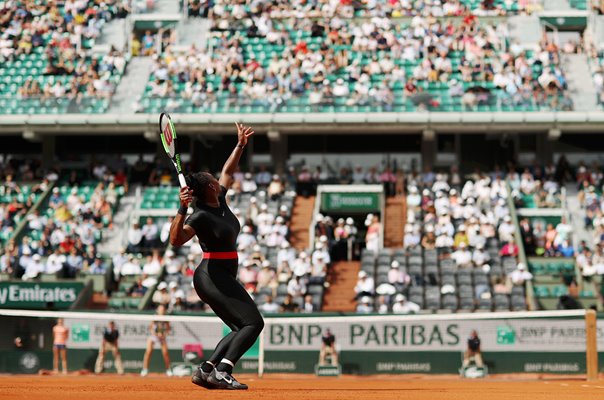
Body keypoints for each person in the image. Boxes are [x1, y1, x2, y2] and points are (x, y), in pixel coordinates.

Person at [169, 123, 262, 390]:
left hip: (221, 274)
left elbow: (228, 170)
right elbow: (176, 240)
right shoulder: (199, 215)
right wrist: (181, 208)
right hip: (211, 275)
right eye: (212, 178)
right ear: (209, 186)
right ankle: (223, 371)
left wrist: (240, 145)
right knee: (254, 323)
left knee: (239, 327)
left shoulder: (219, 198)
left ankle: (206, 370)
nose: (217, 178)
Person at [141, 304, 172, 377]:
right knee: (148, 352)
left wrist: (163, 335)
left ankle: (168, 370)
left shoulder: (166, 319)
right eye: (160, 309)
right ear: (157, 310)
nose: (161, 310)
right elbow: (150, 328)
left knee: (165, 353)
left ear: (164, 311)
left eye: (162, 309)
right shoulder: (154, 317)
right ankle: (145, 369)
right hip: (153, 336)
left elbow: (168, 330)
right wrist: (155, 334)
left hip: (162, 337)